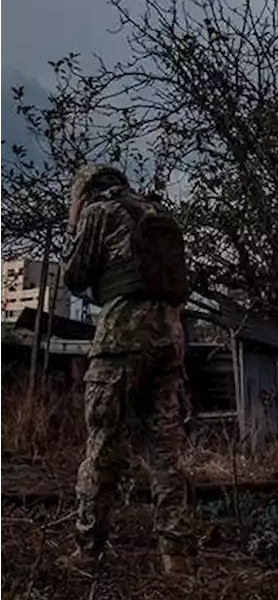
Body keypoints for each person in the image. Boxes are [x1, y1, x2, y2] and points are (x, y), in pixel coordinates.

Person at [61, 164, 197, 575]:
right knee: (166, 452)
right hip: (170, 341)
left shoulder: (99, 213)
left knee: (103, 447)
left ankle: (88, 551)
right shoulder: (156, 213)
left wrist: (75, 223)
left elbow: (74, 276)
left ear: (85, 192)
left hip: (121, 342)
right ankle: (177, 557)